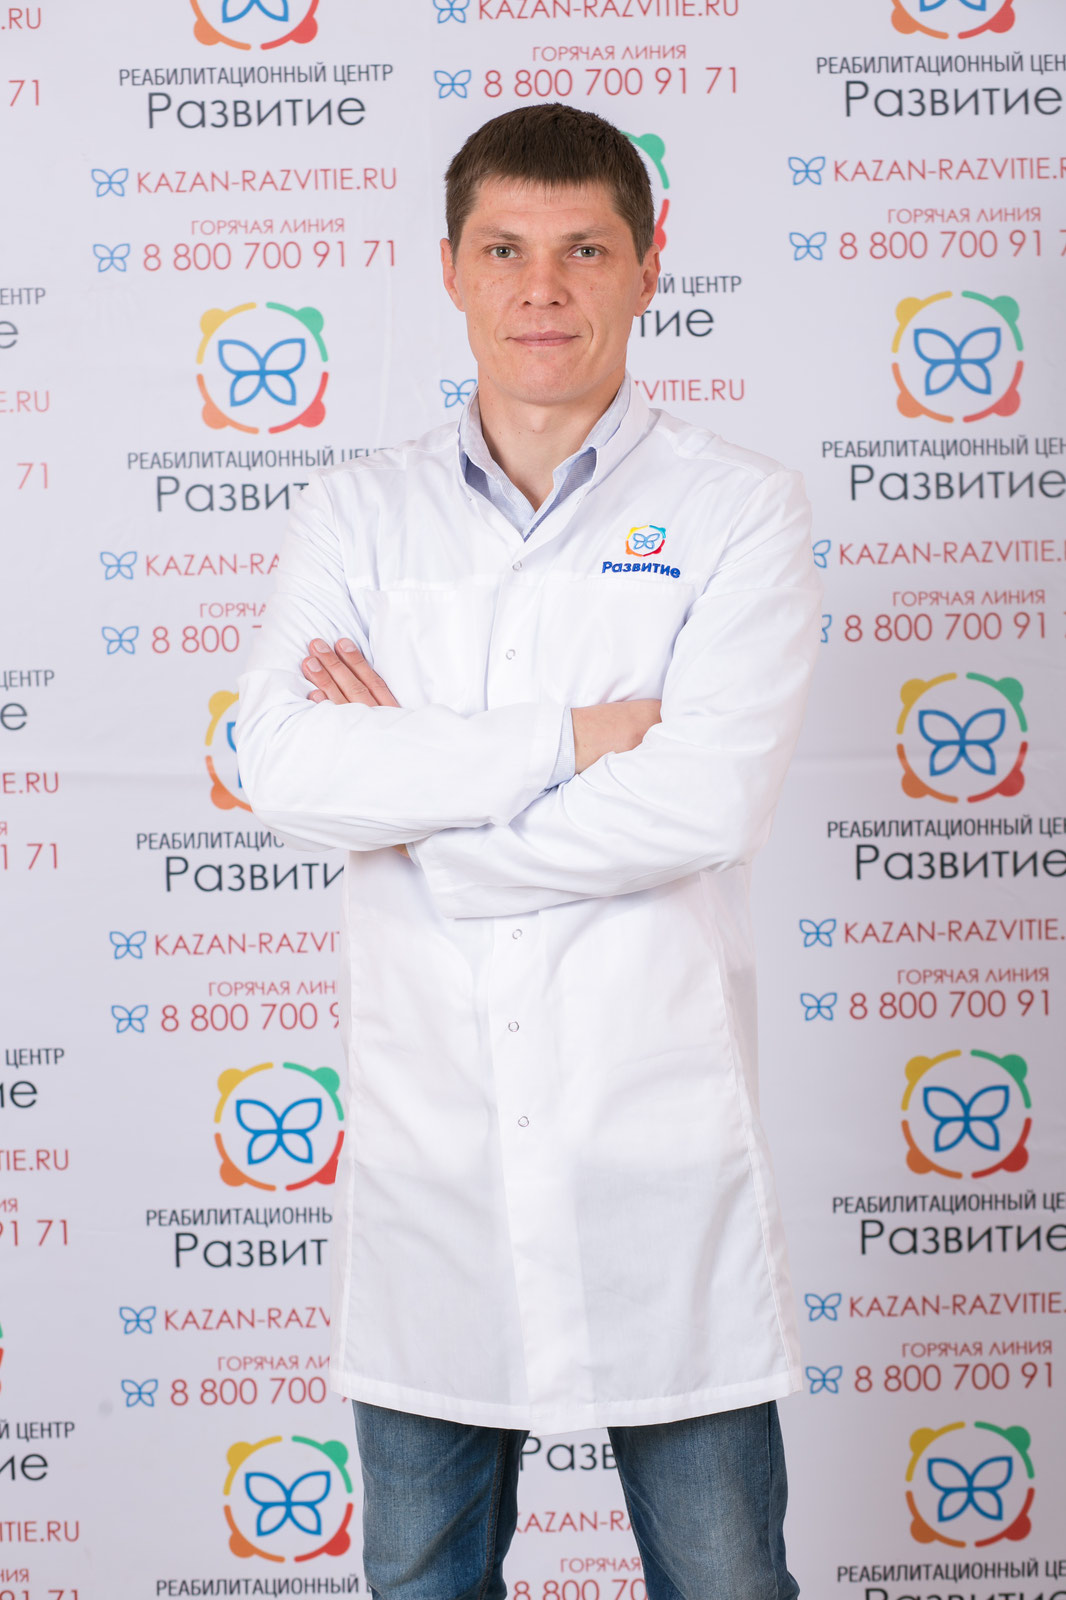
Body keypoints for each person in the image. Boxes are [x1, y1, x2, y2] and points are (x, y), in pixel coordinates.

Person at [235, 101, 821, 1600]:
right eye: (503, 250)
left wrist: (424, 815)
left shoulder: (735, 508)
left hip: (654, 1147)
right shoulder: (355, 513)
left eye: (583, 250)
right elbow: (281, 762)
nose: (541, 289)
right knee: (420, 1577)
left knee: (725, 1577)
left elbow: (701, 801)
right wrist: (574, 734)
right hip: (434, 1154)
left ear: (648, 265)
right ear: (449, 269)